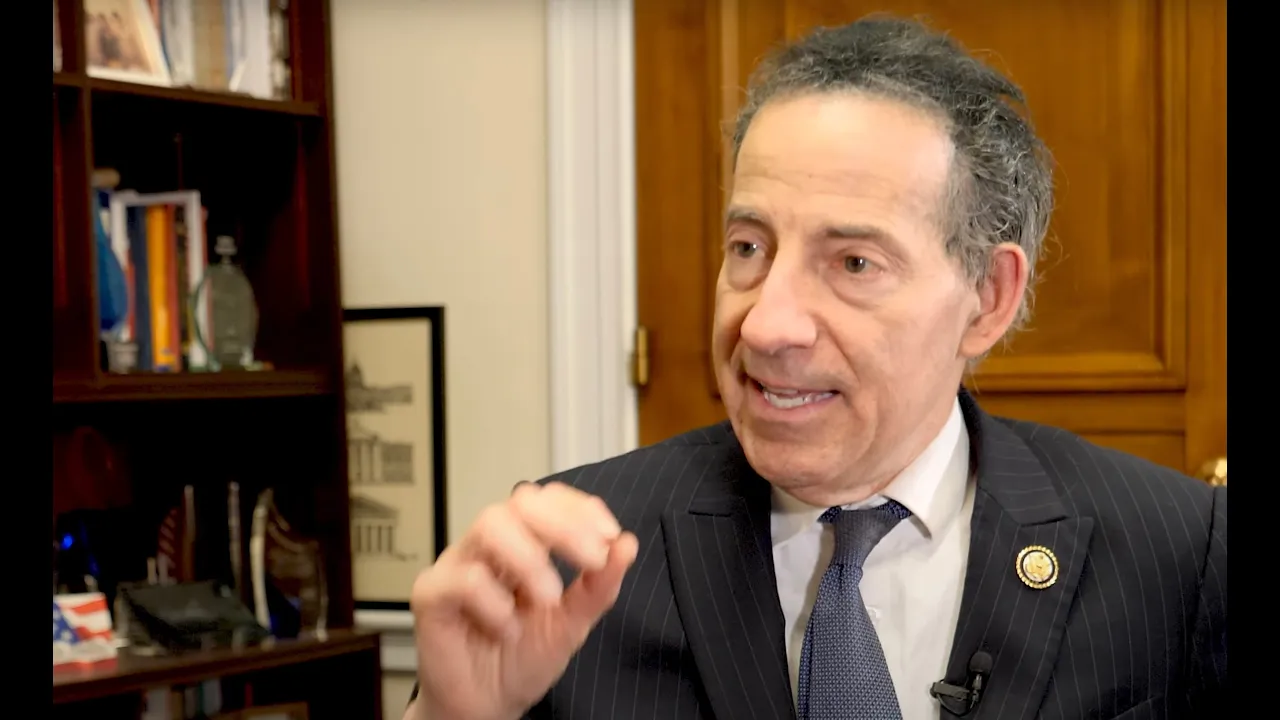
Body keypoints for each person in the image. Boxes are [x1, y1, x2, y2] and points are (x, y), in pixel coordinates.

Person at [404, 15, 1227, 720]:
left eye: (853, 263)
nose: (765, 324)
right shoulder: (568, 561)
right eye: (748, 248)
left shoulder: (1180, 554)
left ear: (988, 297)